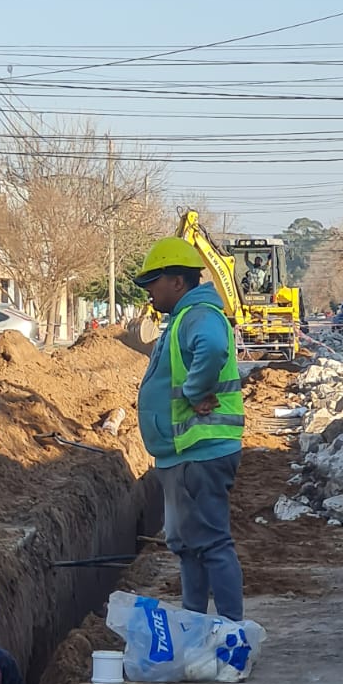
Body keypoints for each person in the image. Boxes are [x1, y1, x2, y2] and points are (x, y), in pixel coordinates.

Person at [135, 238, 245, 621]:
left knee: (211, 544)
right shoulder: (184, 317)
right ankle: (195, 623)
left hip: (200, 450)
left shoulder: (199, 314)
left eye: (153, 282)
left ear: (177, 282)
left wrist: (196, 390)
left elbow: (213, 348)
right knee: (188, 545)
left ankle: (232, 634)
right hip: (184, 453)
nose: (149, 291)